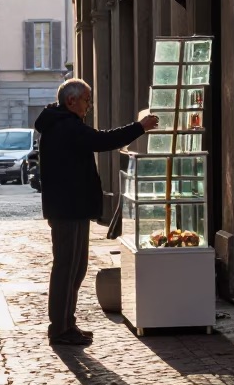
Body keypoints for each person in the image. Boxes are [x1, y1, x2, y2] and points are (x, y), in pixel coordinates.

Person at [34, 79, 158, 346]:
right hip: (67, 209)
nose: (89, 105)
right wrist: (140, 127)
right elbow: (102, 140)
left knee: (76, 268)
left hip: (72, 207)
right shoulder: (64, 126)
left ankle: (67, 323)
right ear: (71, 101)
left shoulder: (64, 124)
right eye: (87, 100)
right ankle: (59, 328)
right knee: (67, 268)